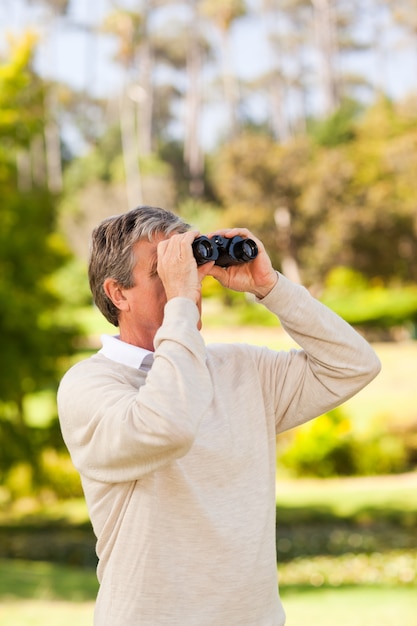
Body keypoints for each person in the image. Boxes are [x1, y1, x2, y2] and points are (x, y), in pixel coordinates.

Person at [57, 205, 381, 626]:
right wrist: (181, 309)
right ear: (118, 294)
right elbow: (169, 425)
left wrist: (271, 287)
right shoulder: (90, 385)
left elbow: (354, 365)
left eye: (189, 265)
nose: (188, 283)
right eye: (166, 271)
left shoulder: (242, 371)